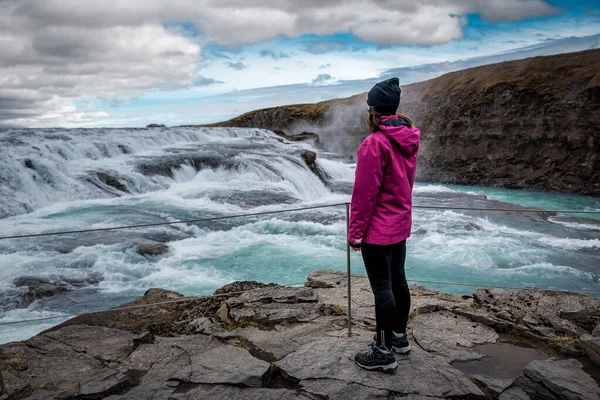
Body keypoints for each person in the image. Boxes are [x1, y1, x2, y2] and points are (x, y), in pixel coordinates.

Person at [348, 77, 420, 372]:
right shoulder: (408, 136)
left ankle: (383, 351)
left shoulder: (374, 144)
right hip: (400, 223)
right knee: (399, 281)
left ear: (372, 109)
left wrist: (354, 233)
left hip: (378, 229)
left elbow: (364, 195)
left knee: (382, 288)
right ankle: (399, 338)